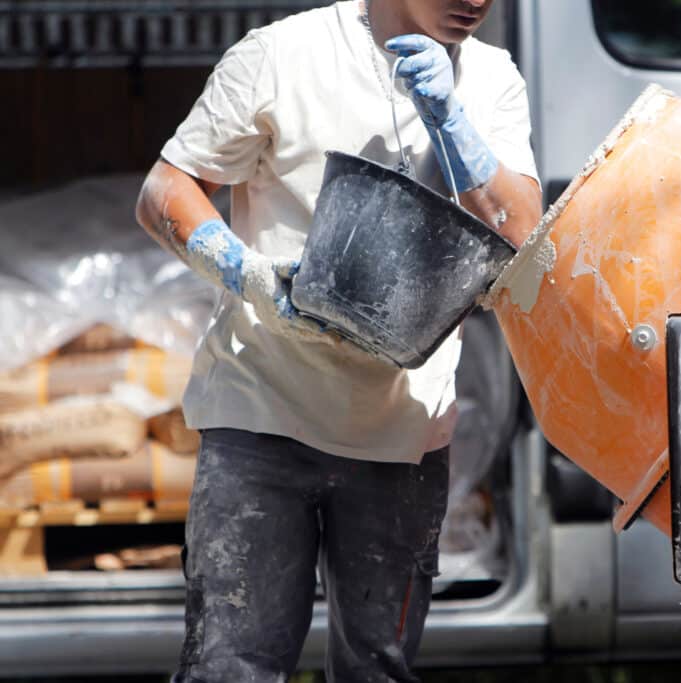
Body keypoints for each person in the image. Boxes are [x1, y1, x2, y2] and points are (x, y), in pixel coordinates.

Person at [134, 0, 541, 680]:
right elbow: (164, 191)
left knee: (376, 668)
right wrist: (248, 273)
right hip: (263, 410)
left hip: (404, 432)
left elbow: (524, 235)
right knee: (230, 667)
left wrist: (454, 125)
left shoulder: (491, 78)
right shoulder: (281, 56)